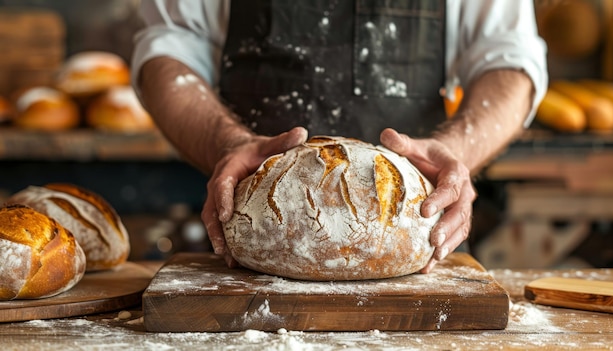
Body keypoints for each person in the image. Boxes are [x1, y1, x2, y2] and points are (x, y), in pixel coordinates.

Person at [132, 0, 548, 273]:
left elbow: (509, 56)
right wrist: (228, 144)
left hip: (416, 236)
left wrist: (456, 151)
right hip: (254, 243)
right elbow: (171, 50)